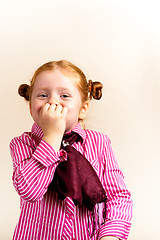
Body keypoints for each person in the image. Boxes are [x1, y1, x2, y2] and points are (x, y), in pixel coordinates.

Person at [10, 60, 132, 240]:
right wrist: (51, 137)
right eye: (43, 95)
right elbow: (30, 191)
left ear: (82, 109)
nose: (52, 101)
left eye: (64, 96)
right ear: (30, 107)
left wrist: (111, 235)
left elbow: (117, 196)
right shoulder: (23, 143)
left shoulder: (99, 143)